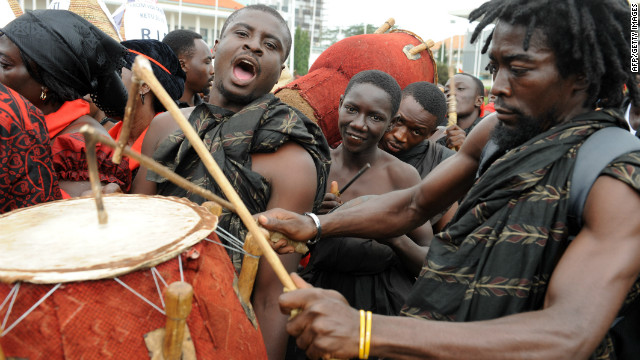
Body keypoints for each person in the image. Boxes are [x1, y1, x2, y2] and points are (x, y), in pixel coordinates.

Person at [259, 0, 640, 358]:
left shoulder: (617, 179)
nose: (500, 87)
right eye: (495, 69)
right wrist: (314, 224)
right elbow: (414, 204)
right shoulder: (494, 130)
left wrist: (365, 332)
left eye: (520, 70)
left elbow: (569, 333)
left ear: (581, 76)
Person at [132, 5, 331, 359]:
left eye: (270, 45)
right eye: (242, 34)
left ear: (281, 71)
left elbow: (271, 299)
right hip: (143, 311)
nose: (254, 46)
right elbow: (133, 239)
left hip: (225, 335)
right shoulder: (167, 126)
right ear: (217, 45)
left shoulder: (293, 163)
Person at [302, 70, 429, 317]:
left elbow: (428, 262)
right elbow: (285, 243)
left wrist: (391, 233)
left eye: (374, 117)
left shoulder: (402, 176)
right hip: (319, 297)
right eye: (351, 109)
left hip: (384, 303)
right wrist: (314, 220)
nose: (359, 124)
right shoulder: (314, 165)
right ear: (339, 105)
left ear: (391, 123)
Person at [0, 10, 131, 197]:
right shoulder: (15, 122)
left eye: (4, 64)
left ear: (47, 82)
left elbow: (54, 217)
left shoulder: (84, 147)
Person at [379, 81, 457, 231]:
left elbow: (446, 238)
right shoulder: (364, 138)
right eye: (399, 121)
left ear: (431, 134)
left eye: (416, 132)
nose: (400, 136)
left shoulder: (442, 164)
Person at [108, 39, 186, 174]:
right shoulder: (103, 139)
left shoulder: (172, 147)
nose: (104, 82)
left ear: (144, 86)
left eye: (116, 72)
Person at [0, 81, 61, 213]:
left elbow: (34, 216)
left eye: (6, 65)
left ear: (45, 85)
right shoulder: (20, 114)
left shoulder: (19, 118)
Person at [162, 29, 214, 108]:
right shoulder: (160, 112)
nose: (213, 71)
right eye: (207, 62)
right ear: (182, 65)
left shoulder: (209, 112)